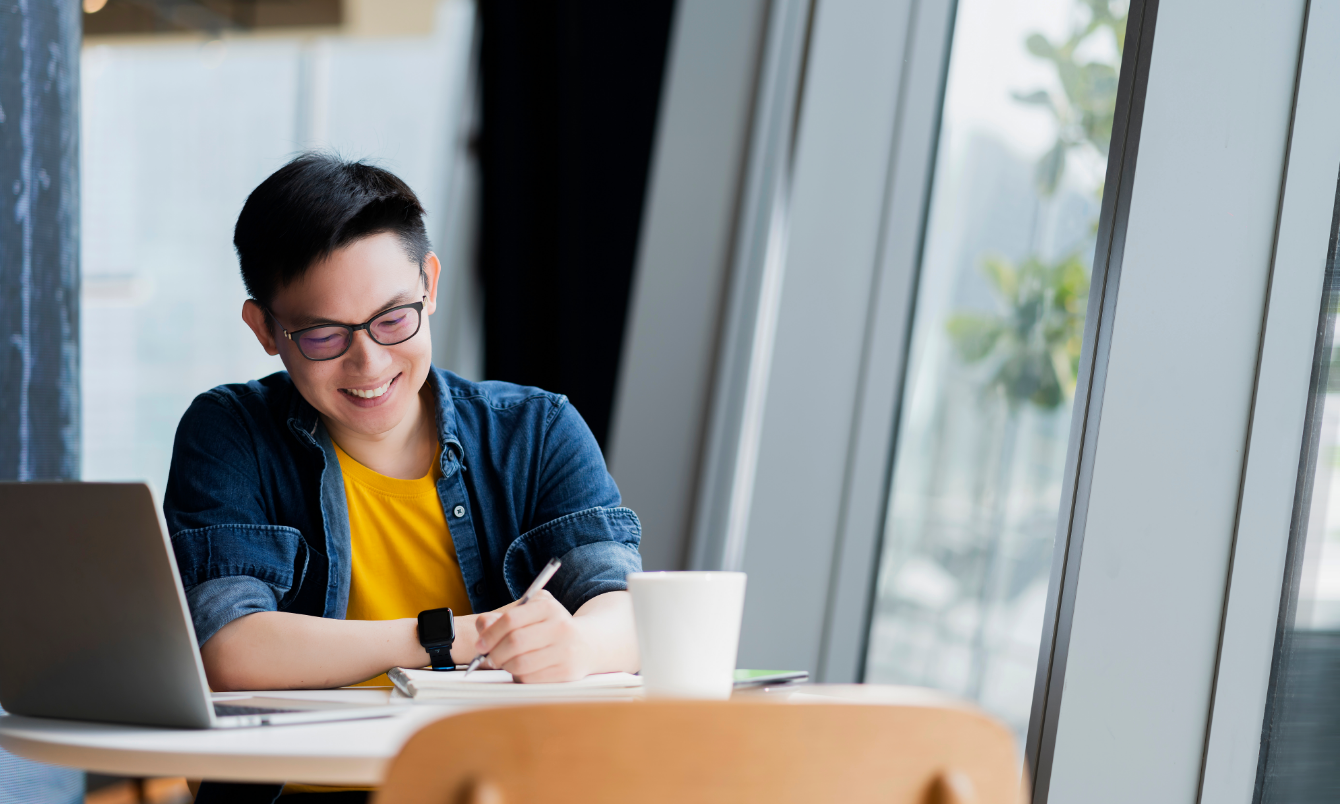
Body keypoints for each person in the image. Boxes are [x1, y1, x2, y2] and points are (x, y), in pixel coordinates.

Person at [164, 153, 642, 704]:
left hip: (483, 783)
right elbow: (228, 650)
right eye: (324, 336)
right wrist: (449, 637)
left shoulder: (535, 431)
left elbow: (625, 610)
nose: (369, 363)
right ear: (265, 329)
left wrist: (579, 645)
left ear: (429, 285)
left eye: (393, 319)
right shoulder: (230, 434)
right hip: (303, 786)